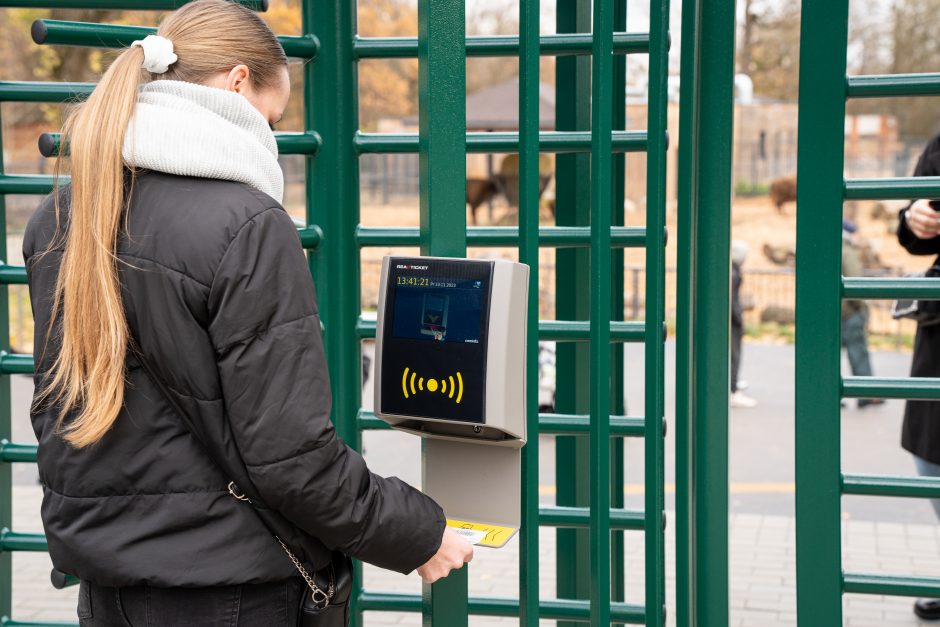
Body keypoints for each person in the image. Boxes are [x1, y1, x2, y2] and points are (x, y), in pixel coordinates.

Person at [23, 1, 472, 624]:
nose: (271, 138)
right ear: (237, 83)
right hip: (230, 591)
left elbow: (61, 409)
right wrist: (416, 533)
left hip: (107, 590)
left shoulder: (62, 215)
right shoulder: (246, 224)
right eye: (273, 117)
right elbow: (291, 459)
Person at [896, 132, 940, 620]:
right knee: (930, 463)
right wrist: (915, 219)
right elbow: (910, 231)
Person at [841, 219, 883, 409]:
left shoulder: (832, 249)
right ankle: (865, 393)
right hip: (851, 311)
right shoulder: (847, 251)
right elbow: (854, 280)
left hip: (838, 313)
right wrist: (861, 307)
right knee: (859, 353)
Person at [730, 240, 757, 408]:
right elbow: (731, 299)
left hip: (733, 319)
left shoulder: (732, 269)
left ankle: (733, 385)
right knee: (734, 356)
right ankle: (733, 390)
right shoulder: (733, 273)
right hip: (733, 321)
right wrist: (738, 318)